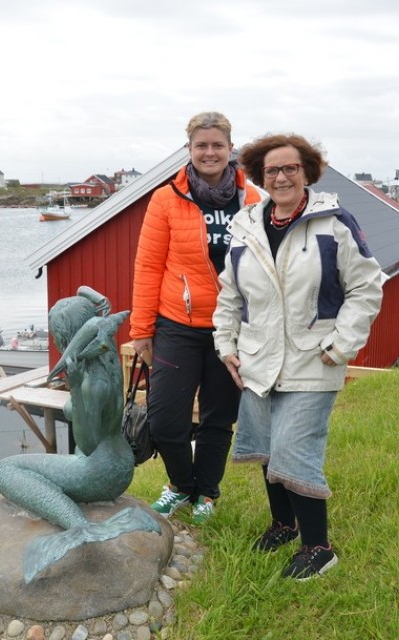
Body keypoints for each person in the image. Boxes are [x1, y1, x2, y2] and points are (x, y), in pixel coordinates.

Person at [213, 133, 384, 580]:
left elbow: (366, 287)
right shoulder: (246, 226)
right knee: (268, 445)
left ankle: (319, 547)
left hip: (315, 357)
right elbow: (230, 294)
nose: (282, 176)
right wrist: (225, 345)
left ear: (307, 171)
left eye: (291, 168)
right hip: (257, 358)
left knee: (295, 448)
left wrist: (343, 344)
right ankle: (284, 524)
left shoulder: (333, 222)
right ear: (259, 176)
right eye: (272, 170)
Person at [129, 112, 261, 525]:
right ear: (189, 149)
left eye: (217, 145)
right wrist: (140, 330)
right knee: (166, 418)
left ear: (229, 149)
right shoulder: (167, 199)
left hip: (232, 329)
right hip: (177, 325)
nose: (209, 152)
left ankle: (206, 492)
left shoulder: (252, 199)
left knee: (219, 418)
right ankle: (180, 484)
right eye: (201, 145)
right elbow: (148, 266)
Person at [0, 286, 160, 583]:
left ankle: (80, 527)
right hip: (117, 459)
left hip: (100, 469)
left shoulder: (91, 383)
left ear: (67, 339)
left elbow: (87, 443)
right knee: (41, 471)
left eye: (58, 339)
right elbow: (97, 301)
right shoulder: (104, 354)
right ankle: (75, 515)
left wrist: (78, 390)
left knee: (6, 470)